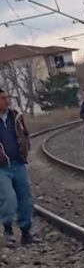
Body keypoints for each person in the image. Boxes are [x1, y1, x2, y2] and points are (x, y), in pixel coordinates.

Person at [0, 89, 33, 245]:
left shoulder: (16, 116)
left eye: (7, 97)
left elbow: (24, 133)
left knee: (25, 198)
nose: (7, 100)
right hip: (1, 168)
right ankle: (7, 227)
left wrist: (26, 147)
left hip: (18, 163)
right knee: (9, 198)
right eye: (2, 98)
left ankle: (26, 231)